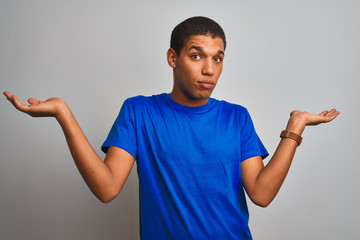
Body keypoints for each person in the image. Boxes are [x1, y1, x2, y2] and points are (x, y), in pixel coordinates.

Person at [3, 16, 339, 239]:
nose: (209, 69)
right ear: (172, 57)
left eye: (218, 58)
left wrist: (294, 130)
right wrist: (64, 113)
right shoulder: (139, 111)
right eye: (197, 55)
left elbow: (261, 194)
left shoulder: (236, 117)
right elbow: (106, 188)